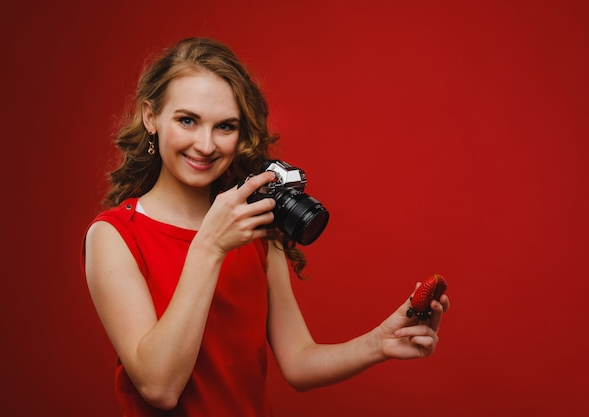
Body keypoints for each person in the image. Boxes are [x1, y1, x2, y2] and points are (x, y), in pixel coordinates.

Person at [82, 37, 450, 417]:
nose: (205, 144)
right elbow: (159, 387)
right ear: (150, 117)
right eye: (187, 120)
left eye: (225, 126)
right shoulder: (114, 236)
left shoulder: (255, 226)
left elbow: (299, 362)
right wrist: (210, 246)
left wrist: (378, 343)